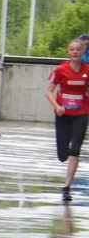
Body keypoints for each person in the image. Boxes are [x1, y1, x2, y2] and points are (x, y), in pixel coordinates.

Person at [45, 39, 89, 203]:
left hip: (81, 114)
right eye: (72, 50)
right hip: (63, 114)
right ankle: (64, 158)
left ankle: (66, 187)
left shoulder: (86, 71)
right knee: (63, 154)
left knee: (75, 150)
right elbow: (48, 91)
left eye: (78, 49)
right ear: (68, 52)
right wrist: (57, 106)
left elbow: (86, 81)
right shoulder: (61, 70)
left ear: (83, 52)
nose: (75, 52)